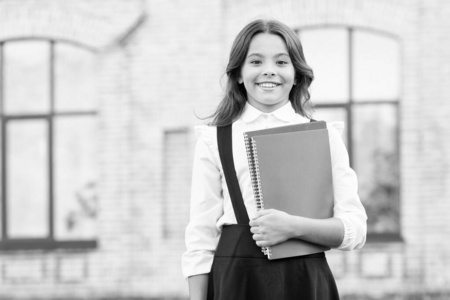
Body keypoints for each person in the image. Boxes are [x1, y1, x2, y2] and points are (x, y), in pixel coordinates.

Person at [182, 18, 367, 300]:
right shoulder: (214, 140)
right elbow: (200, 236)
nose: (269, 71)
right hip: (236, 281)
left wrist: (295, 227)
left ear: (296, 73)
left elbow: (356, 230)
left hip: (306, 281)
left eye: (281, 62)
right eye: (256, 62)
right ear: (239, 74)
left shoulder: (325, 136)